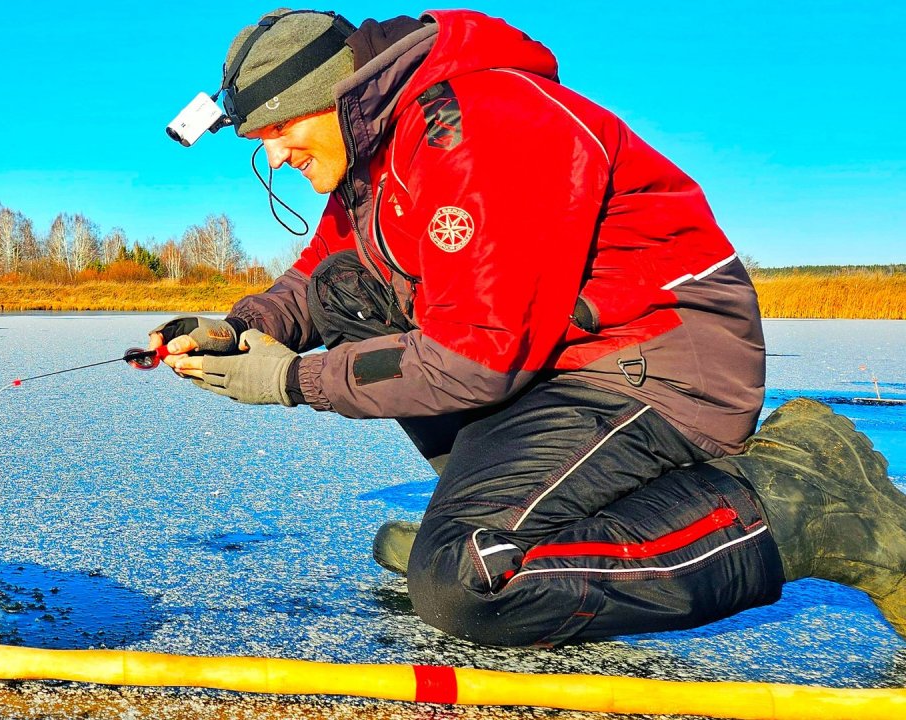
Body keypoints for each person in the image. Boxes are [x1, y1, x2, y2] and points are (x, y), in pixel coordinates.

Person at [152, 8, 906, 646]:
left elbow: (470, 359)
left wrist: (292, 379)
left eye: (279, 130)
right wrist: (239, 327)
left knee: (464, 587)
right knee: (347, 292)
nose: (277, 157)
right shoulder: (375, 161)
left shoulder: (482, 125)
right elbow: (321, 279)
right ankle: (500, 515)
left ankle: (799, 506)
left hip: (657, 363)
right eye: (260, 144)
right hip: (560, 360)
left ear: (332, 93)